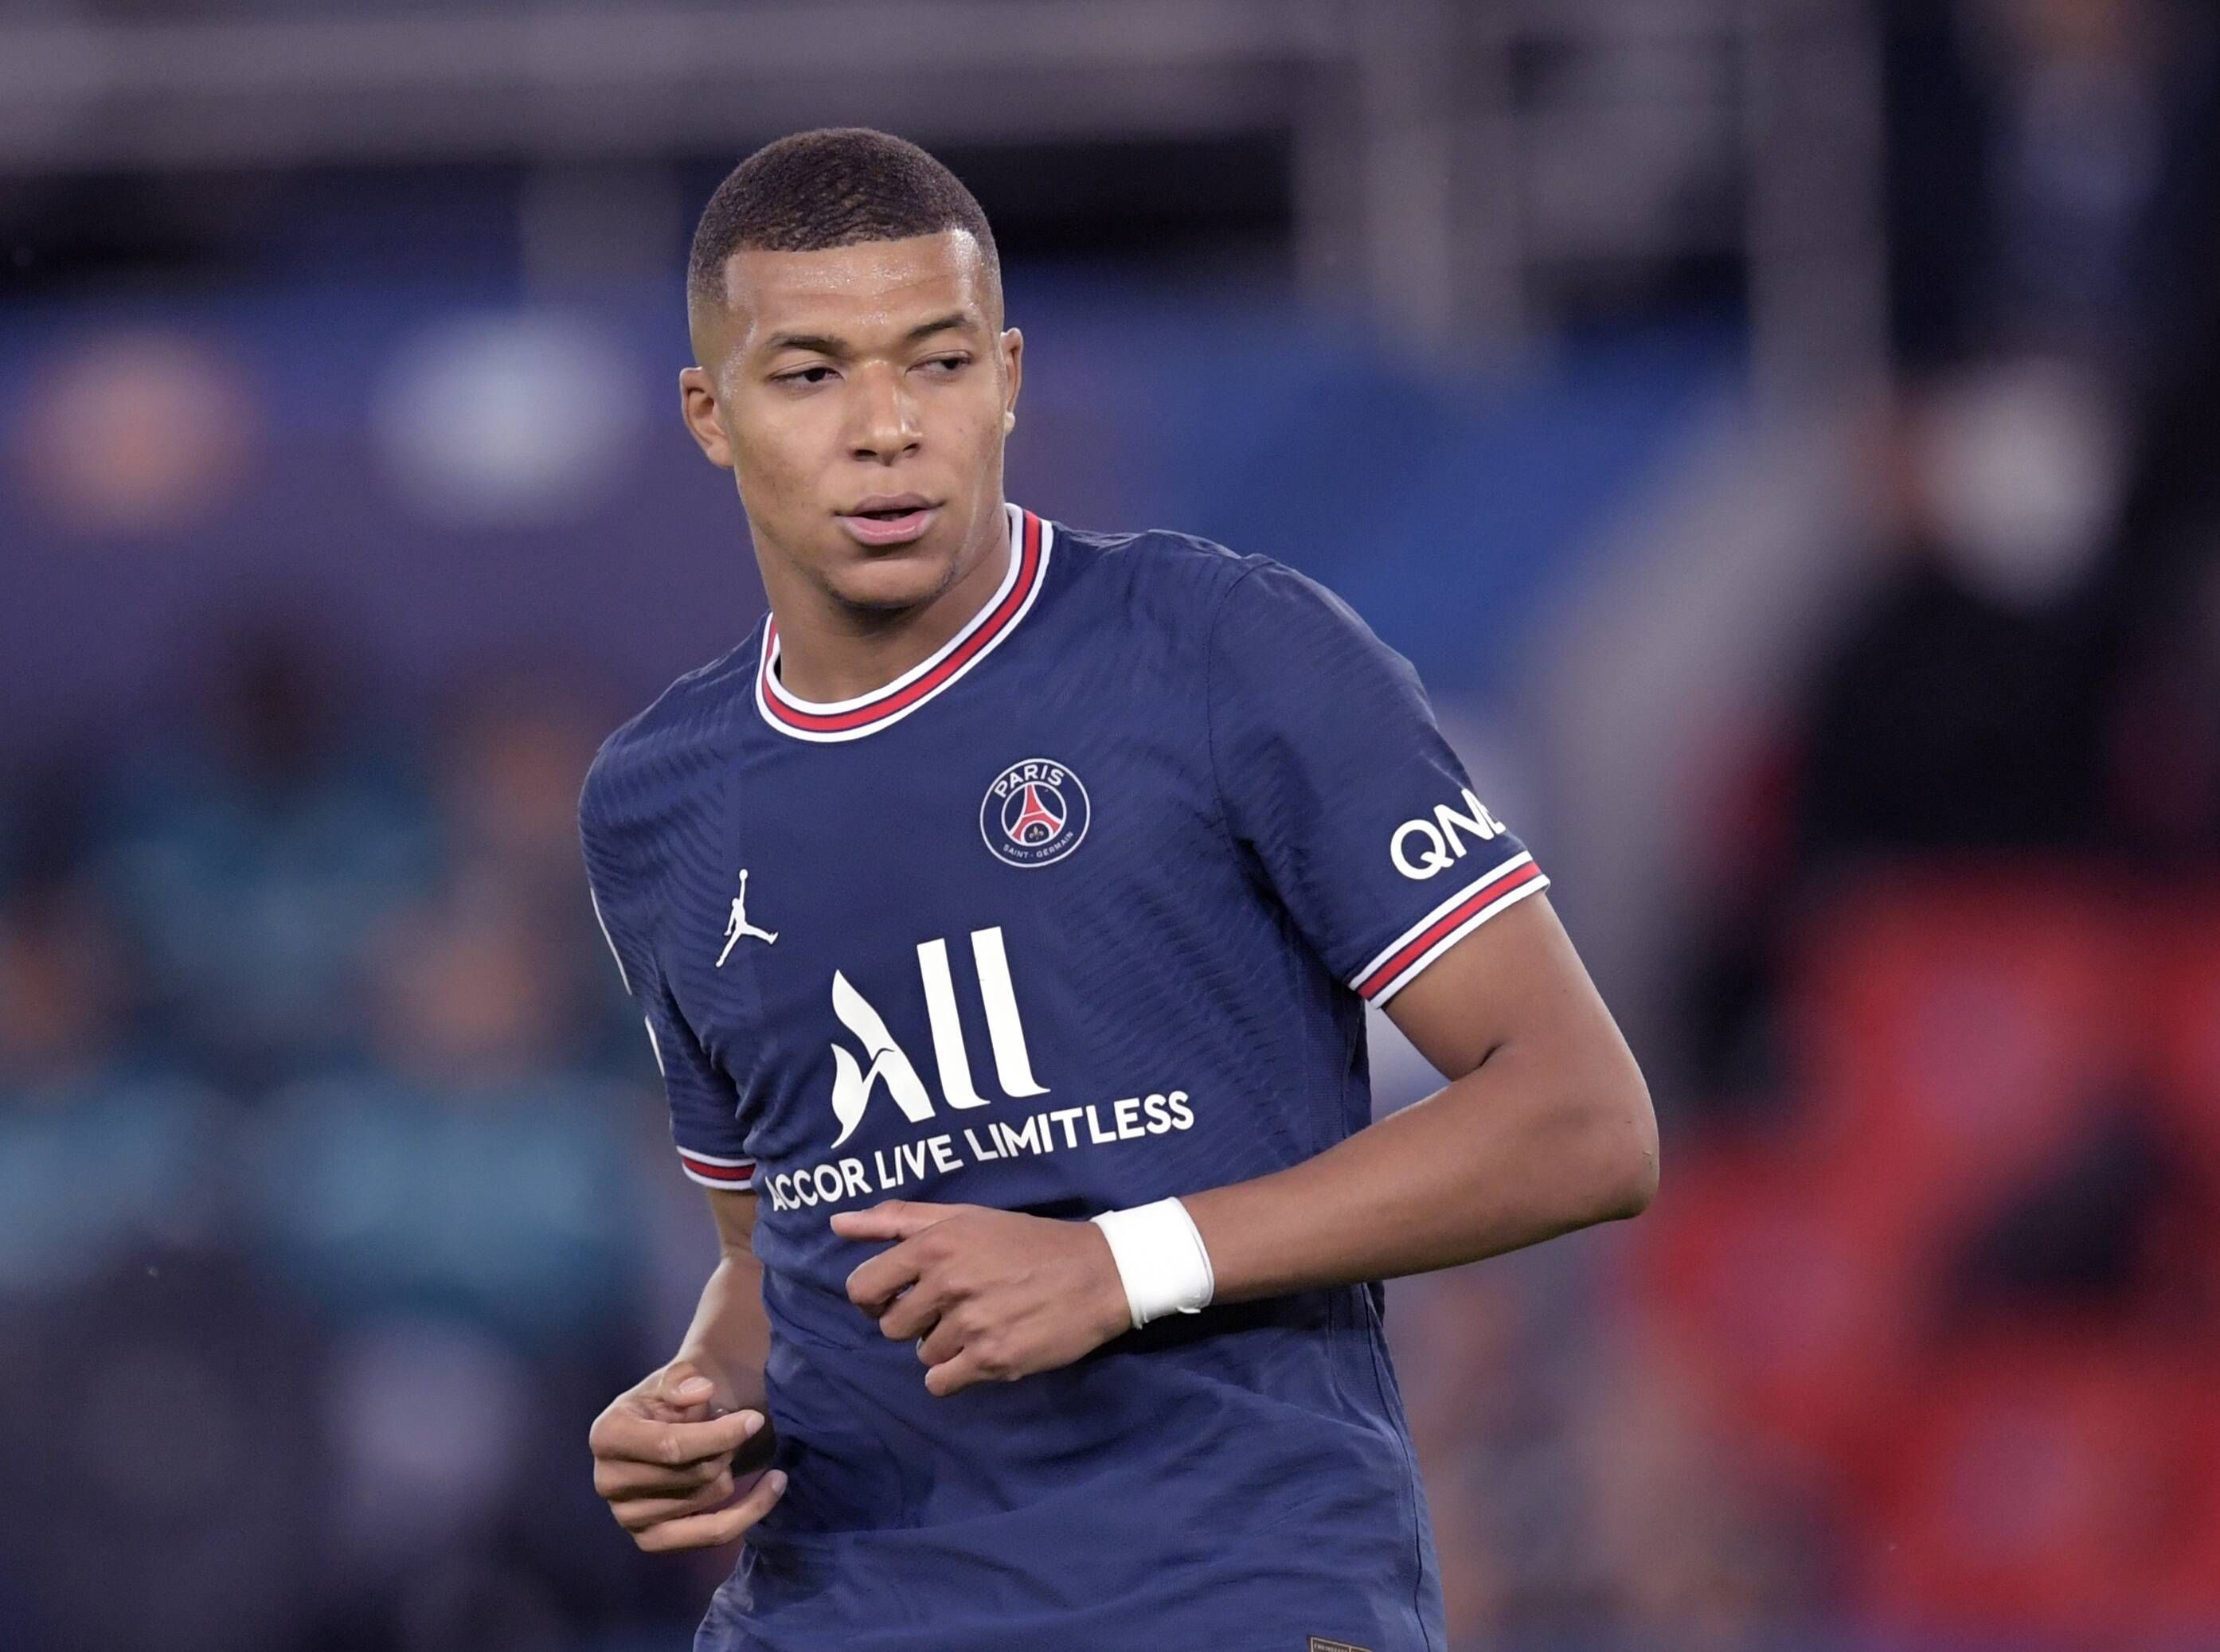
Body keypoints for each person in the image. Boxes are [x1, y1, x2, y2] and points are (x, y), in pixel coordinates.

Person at [576, 127, 1659, 1651]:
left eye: (937, 364)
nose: (887, 428)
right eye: (811, 374)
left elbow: (1581, 1121)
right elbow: (776, 1259)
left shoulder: (1230, 652)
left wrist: (1122, 1264)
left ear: (1009, 376)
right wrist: (697, 1407)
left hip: (1222, 1592)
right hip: (840, 1610)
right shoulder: (653, 800)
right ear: (711, 411)